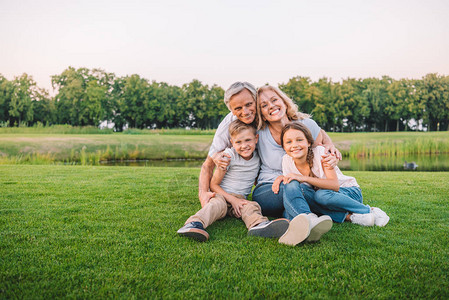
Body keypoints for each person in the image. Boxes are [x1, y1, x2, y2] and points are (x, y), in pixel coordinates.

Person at [252, 85, 341, 246]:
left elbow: (320, 142)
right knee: (291, 182)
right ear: (262, 115)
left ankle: (292, 220)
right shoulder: (258, 133)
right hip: (270, 189)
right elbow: (238, 142)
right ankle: (309, 218)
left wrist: (330, 146)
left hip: (303, 186)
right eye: (264, 106)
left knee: (299, 187)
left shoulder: (306, 125)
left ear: (284, 102)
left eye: (274, 100)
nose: (271, 106)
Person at [178, 120, 289, 242]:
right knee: (216, 205)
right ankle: (193, 224)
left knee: (251, 206)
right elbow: (213, 184)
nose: (244, 145)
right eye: (238, 142)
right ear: (232, 143)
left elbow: (255, 179)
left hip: (240, 198)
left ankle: (259, 225)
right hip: (222, 195)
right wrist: (232, 200)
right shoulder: (228, 156)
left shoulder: (257, 158)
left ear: (256, 139)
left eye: (248, 140)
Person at [278, 122, 390, 227]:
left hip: (348, 192)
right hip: (323, 198)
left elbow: (334, 185)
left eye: (299, 140)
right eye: (289, 142)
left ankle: (369, 210)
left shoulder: (321, 153)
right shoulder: (286, 160)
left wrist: (303, 178)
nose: (294, 145)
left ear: (308, 142)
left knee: (321, 195)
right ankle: (350, 217)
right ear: (283, 146)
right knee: (300, 201)